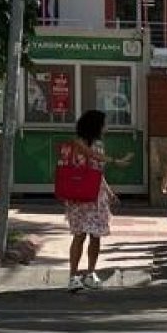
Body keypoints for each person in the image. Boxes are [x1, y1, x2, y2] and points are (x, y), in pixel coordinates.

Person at [61, 110, 133, 291]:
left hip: (96, 196)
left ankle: (90, 273)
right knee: (80, 235)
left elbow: (97, 172)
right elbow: (92, 156)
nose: (106, 127)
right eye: (104, 124)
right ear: (95, 125)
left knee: (96, 235)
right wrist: (117, 161)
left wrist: (109, 191)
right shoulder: (78, 143)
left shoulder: (99, 145)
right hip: (80, 196)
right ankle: (73, 275)